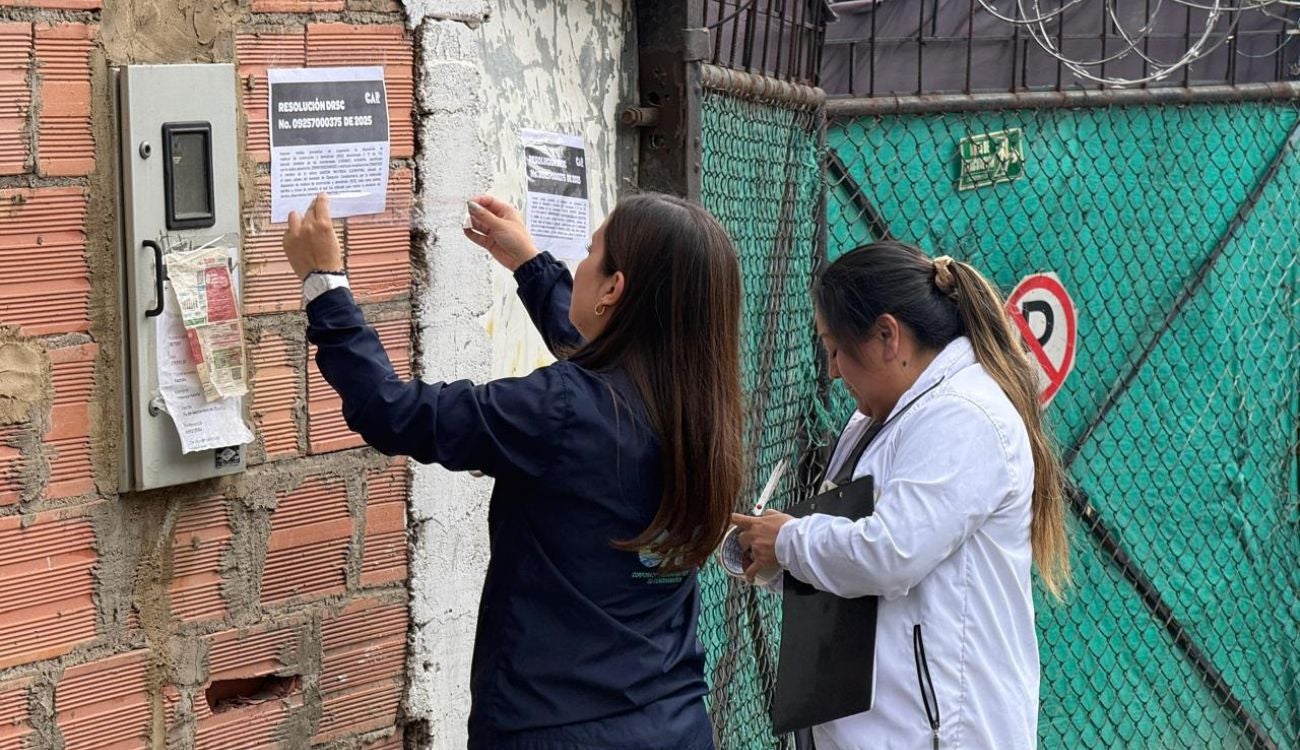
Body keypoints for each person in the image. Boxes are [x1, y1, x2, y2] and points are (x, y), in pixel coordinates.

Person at [281, 192, 743, 749]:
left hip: (554, 730)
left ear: (614, 289)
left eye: (589, 252)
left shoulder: (561, 410)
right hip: (676, 723)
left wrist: (324, 284)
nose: (580, 264)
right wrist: (530, 264)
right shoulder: (703, 412)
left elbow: (394, 413)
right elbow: (597, 348)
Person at [732, 241, 1070, 749]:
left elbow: (892, 552)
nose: (832, 369)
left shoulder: (964, 416)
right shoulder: (882, 416)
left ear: (888, 336)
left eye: (835, 348)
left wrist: (788, 542)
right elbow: (855, 559)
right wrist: (776, 556)